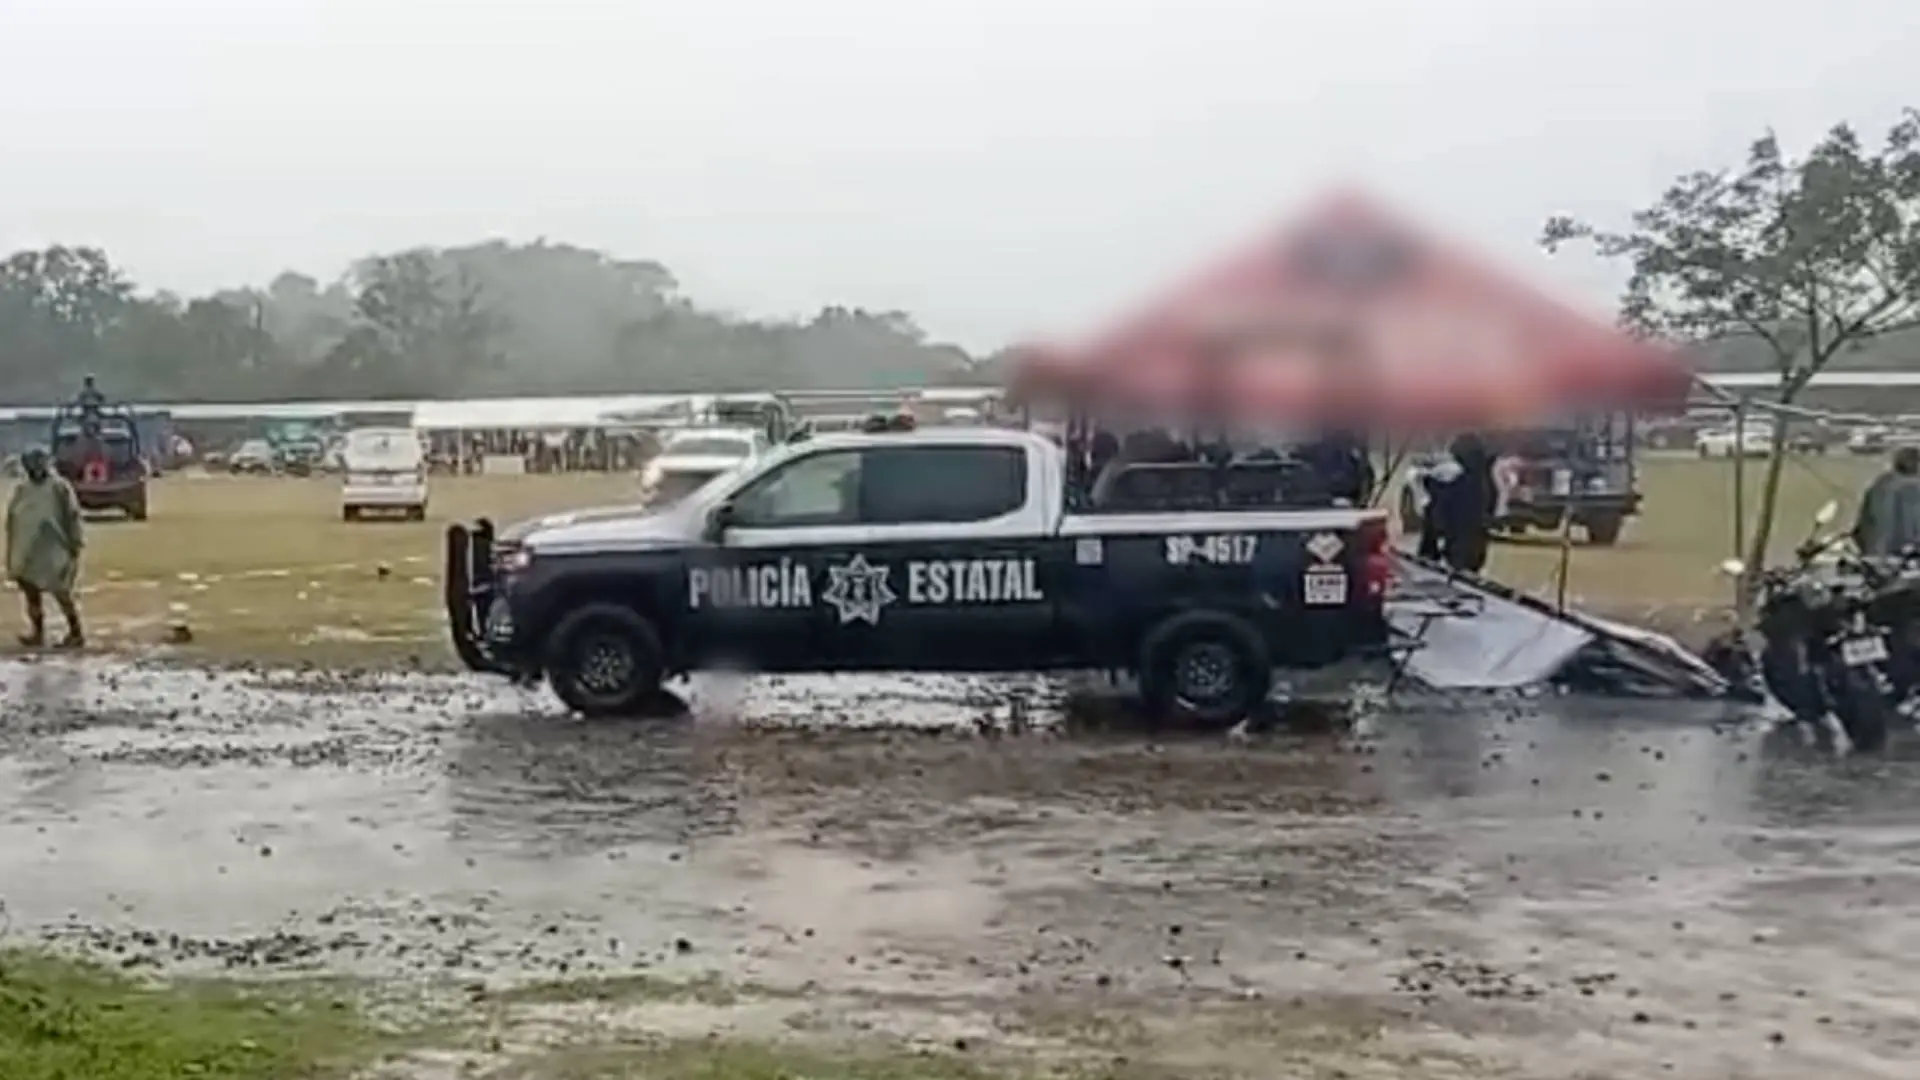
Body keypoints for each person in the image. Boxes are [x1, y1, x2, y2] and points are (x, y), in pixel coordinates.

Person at [6, 447, 85, 648]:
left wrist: (75, 542)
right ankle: (37, 633)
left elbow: (72, 515)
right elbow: (13, 518)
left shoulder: (59, 487)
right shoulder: (22, 489)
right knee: (31, 592)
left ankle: (75, 632)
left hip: (53, 546)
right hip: (27, 547)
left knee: (61, 591)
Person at [1417, 433, 1497, 574]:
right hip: (1475, 547)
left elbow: (1441, 510)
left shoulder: (1462, 483)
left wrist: (1428, 483)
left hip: (1456, 548)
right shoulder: (1484, 481)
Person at [1852, 446, 1920, 556]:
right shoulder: (1914, 487)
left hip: (1877, 555)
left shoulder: (1879, 485)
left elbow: (1862, 527)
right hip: (1908, 556)